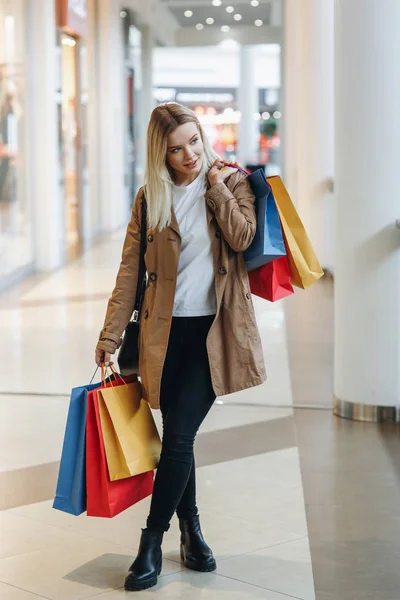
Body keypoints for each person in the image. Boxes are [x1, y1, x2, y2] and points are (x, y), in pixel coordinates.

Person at [95, 102, 266, 592]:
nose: (189, 154)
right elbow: (130, 271)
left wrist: (214, 188)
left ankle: (151, 542)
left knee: (180, 437)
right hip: (162, 336)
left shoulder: (230, 182)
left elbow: (242, 235)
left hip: (213, 334)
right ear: (160, 154)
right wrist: (110, 335)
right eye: (176, 149)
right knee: (176, 437)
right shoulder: (151, 198)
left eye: (194, 141)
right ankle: (191, 532)